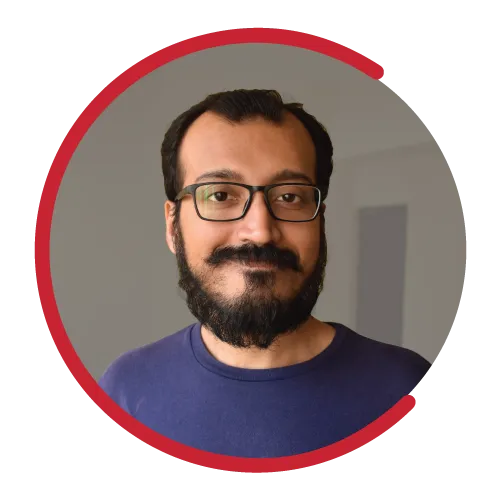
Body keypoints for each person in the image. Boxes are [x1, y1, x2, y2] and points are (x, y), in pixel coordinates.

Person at [98, 89, 432, 458]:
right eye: (220, 195)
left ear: (320, 220)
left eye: (289, 197)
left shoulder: (404, 387)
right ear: (172, 225)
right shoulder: (126, 391)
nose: (259, 231)